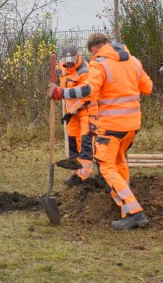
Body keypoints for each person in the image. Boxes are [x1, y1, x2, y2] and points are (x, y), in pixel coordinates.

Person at [48, 33, 153, 230]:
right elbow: (148, 88)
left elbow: (89, 91)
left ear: (95, 48)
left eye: (92, 52)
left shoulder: (100, 63)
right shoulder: (134, 61)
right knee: (119, 160)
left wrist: (62, 93)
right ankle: (125, 203)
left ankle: (134, 212)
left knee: (106, 166)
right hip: (132, 124)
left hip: (112, 126)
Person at [56, 45, 98, 186]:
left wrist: (72, 111)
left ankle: (83, 178)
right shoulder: (61, 67)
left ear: (77, 57)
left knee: (85, 145)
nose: (69, 64)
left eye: (71, 61)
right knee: (72, 144)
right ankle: (74, 176)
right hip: (72, 114)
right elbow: (63, 87)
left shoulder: (84, 71)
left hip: (86, 111)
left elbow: (86, 95)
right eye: (66, 61)